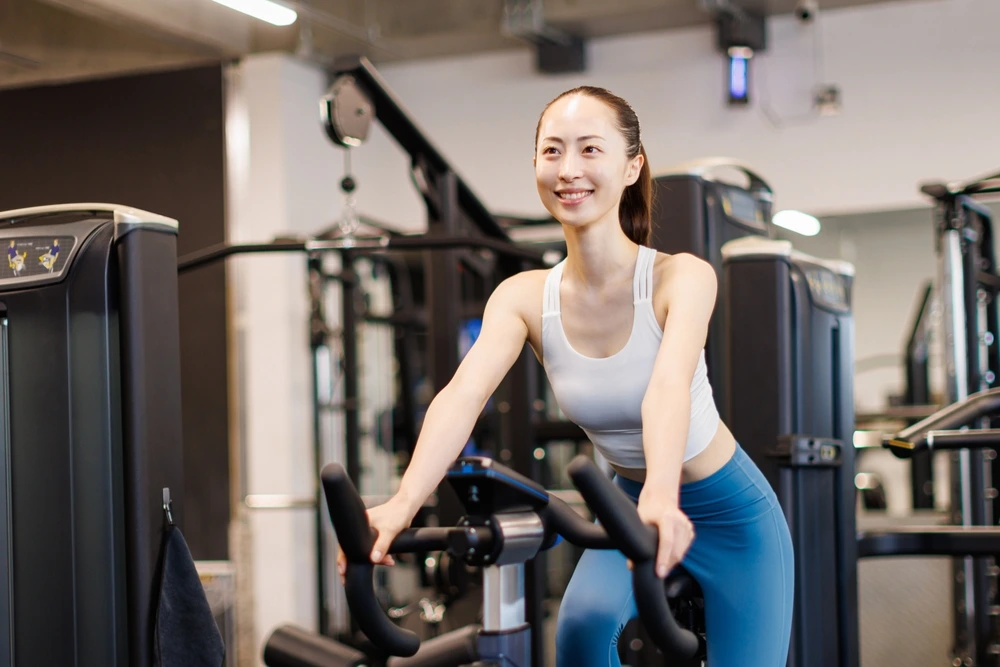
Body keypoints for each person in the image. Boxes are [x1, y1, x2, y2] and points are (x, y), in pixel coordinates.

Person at [338, 86, 794, 667]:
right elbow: (462, 396)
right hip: (629, 505)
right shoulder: (525, 297)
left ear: (632, 167)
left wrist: (661, 493)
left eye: (589, 150)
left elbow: (667, 388)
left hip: (731, 513)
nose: (568, 170)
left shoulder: (682, 278)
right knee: (578, 633)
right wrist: (403, 502)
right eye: (551, 151)